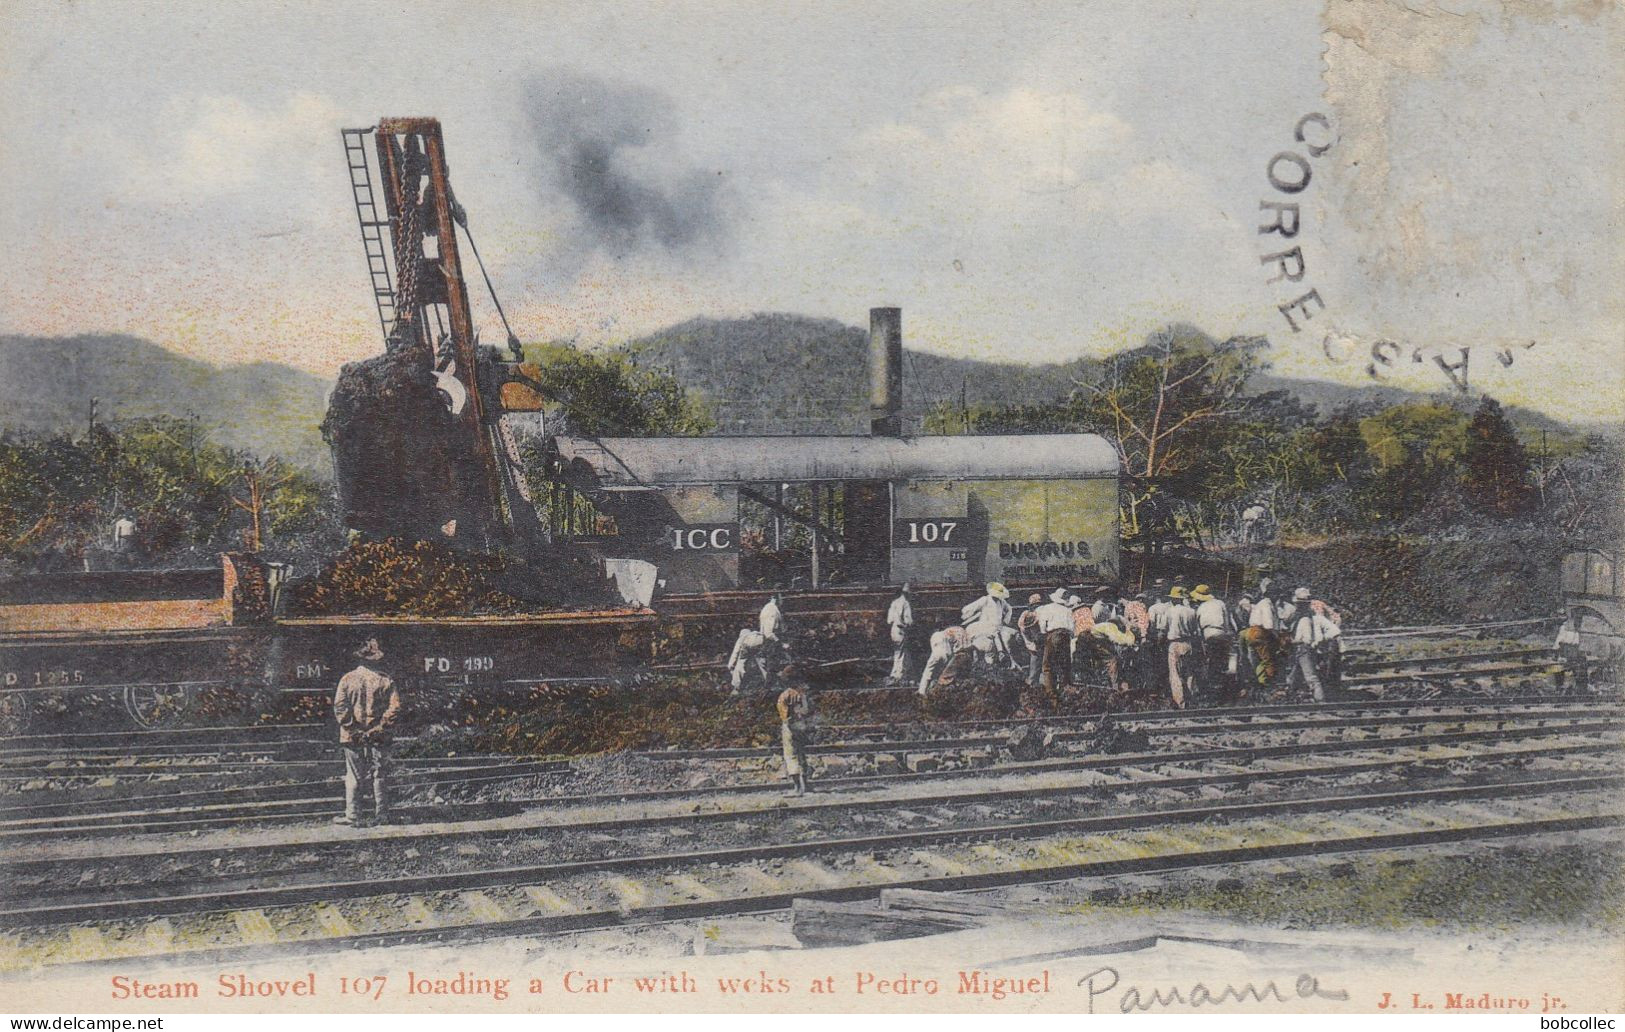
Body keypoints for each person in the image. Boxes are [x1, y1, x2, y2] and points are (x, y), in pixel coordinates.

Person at [333, 638, 401, 827]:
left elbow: (340, 706)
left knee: (354, 774)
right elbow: (394, 708)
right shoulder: (385, 680)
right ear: (376, 659)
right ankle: (382, 815)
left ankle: (353, 815)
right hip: (379, 735)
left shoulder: (347, 679)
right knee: (380, 774)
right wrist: (380, 727)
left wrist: (352, 728)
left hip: (351, 735)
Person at [1192, 585, 1237, 704]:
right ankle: (1225, 690)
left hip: (1209, 635)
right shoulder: (1220, 603)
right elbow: (1226, 620)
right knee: (1224, 661)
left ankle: (1214, 694)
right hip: (1221, 632)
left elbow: (1198, 628)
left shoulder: (1201, 607)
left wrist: (1202, 642)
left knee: (1213, 663)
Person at [776, 667, 813, 796]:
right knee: (801, 754)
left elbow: (785, 715)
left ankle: (797, 787)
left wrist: (789, 722)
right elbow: (807, 711)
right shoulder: (802, 694)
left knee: (790, 755)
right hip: (802, 726)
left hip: (790, 727)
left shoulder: (785, 695)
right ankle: (806, 785)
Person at [961, 582, 1017, 667]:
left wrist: (1006, 620)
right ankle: (999, 653)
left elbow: (1009, 609)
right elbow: (970, 607)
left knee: (1007, 639)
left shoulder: (1002, 601)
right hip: (985, 625)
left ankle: (1008, 660)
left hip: (998, 625)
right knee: (993, 637)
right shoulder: (985, 599)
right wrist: (968, 614)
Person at [1289, 589, 1328, 702]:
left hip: (1303, 650)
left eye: (1297, 604)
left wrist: (1292, 641)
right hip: (1300, 650)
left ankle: (1321, 700)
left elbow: (1307, 639)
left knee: (1311, 677)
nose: (1296, 606)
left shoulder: (1305, 620)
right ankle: (1290, 696)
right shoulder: (1302, 618)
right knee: (1293, 677)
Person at [1164, 586, 1200, 708]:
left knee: (1175, 673)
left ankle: (1180, 702)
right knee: (1190, 673)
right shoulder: (1191, 611)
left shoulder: (1170, 611)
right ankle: (1192, 700)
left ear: (1174, 599)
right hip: (1188, 643)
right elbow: (1195, 630)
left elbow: (1163, 628)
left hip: (1174, 643)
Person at [1034, 588, 1076, 693]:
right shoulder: (1068, 610)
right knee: (1065, 664)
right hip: (1065, 636)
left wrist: (1044, 634)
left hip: (1053, 635)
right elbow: (1072, 628)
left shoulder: (1047, 608)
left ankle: (1050, 691)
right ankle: (1065, 689)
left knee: (1047, 665)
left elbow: (1042, 625)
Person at [918, 624, 968, 696]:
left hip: (942, 643)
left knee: (930, 672)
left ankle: (923, 692)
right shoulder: (958, 631)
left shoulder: (941, 635)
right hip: (949, 645)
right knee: (945, 671)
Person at [885, 584, 915, 685]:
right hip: (901, 630)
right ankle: (898, 676)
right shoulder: (906, 604)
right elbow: (908, 620)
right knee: (901, 653)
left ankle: (898, 673)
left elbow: (889, 620)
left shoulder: (894, 603)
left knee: (898, 652)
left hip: (893, 629)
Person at [1017, 592, 1045, 687]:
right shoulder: (1026, 615)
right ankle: (1032, 682)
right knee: (1035, 659)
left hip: (1039, 639)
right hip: (1032, 640)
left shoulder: (1040, 613)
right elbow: (1024, 630)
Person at [1555, 613, 1588, 690]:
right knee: (1560, 668)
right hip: (1567, 651)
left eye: (1580, 620)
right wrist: (1560, 653)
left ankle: (1581, 688)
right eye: (1576, 620)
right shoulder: (1565, 628)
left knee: (1581, 670)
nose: (1578, 622)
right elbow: (1559, 642)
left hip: (1578, 653)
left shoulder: (1584, 630)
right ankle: (1560, 687)